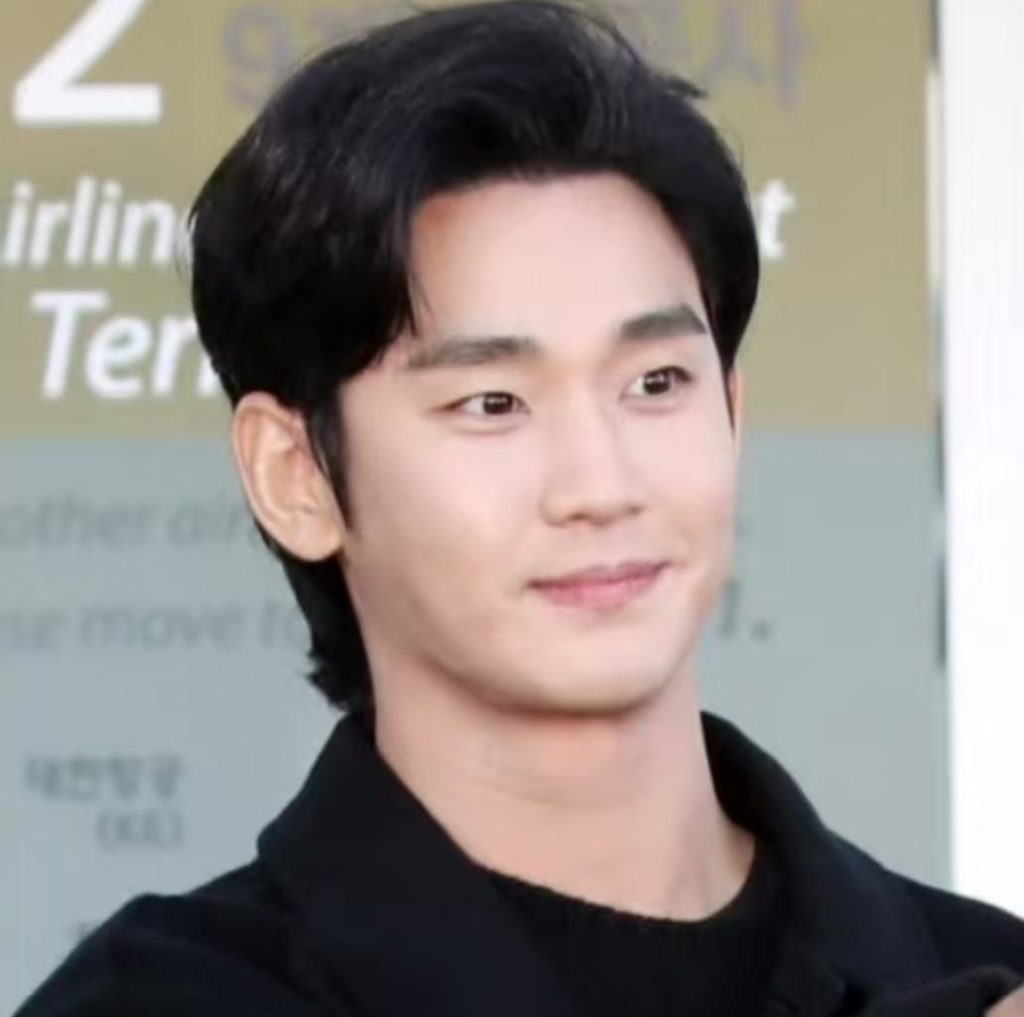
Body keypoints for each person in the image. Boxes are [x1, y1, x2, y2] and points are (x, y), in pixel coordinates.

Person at [15, 2, 1024, 1015]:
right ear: (296, 474)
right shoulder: (158, 997)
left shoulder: (979, 962)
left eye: (656, 383)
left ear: (731, 410)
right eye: (492, 403)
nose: (600, 485)